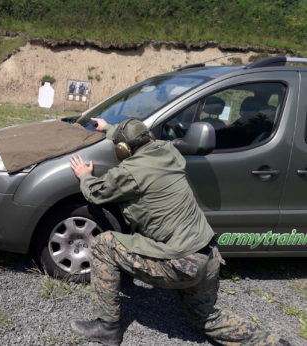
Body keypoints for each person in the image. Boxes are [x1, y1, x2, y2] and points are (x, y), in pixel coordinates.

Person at [69, 118, 286, 346]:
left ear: (123, 149)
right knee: (205, 318)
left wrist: (84, 175)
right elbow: (135, 139)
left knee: (104, 245)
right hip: (208, 256)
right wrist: (109, 129)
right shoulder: (168, 150)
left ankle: (107, 328)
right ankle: (271, 342)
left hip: (181, 263)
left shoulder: (130, 171)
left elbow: (96, 193)